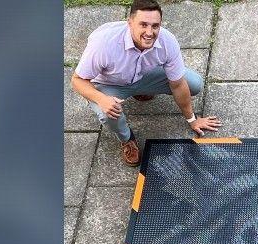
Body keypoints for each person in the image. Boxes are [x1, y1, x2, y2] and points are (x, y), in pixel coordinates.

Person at [71, 0, 222, 166]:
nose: (149, 32)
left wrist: (192, 120)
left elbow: (178, 84)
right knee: (108, 113)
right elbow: (77, 80)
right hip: (110, 84)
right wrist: (101, 99)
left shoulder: (167, 41)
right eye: (143, 25)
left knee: (194, 83)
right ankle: (127, 139)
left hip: (143, 76)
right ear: (130, 23)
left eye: (155, 26)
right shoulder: (104, 44)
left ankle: (141, 91)